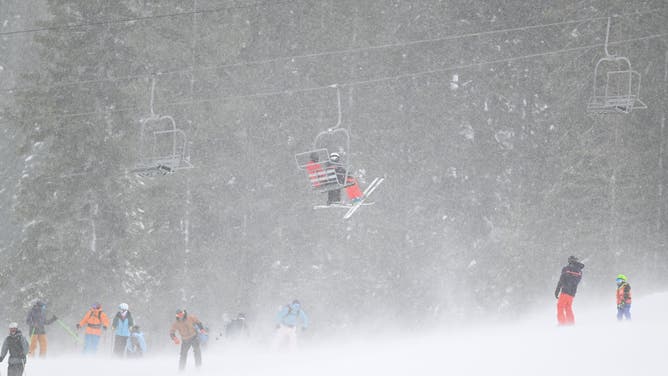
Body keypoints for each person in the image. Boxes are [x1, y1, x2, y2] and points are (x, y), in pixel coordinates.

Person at [554, 256, 585, 325]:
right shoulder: (579, 271)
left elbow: (561, 280)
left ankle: (562, 323)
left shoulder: (566, 268)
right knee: (568, 307)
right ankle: (570, 323)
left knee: (560, 306)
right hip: (572, 293)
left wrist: (557, 290)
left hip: (565, 291)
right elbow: (576, 281)